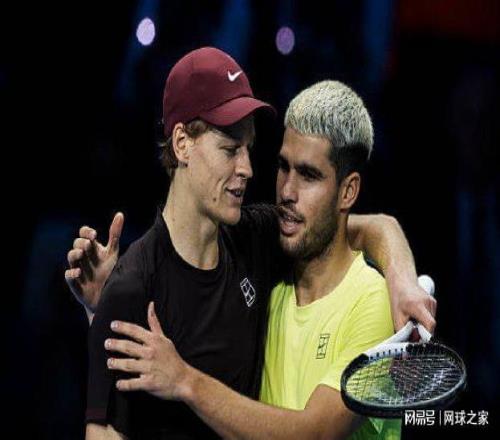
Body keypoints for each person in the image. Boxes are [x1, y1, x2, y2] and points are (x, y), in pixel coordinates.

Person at [66, 49, 436, 439]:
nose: (248, 169)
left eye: (249, 149)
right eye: (231, 149)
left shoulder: (262, 246)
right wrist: (105, 310)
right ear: (182, 143)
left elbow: (358, 225)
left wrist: (401, 278)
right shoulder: (135, 285)